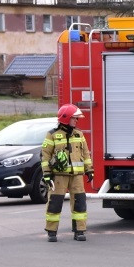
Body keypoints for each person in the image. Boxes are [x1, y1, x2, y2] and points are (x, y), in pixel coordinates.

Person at [41, 104, 94, 242]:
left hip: (76, 176)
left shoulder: (79, 134)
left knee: (79, 203)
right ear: (66, 118)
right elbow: (45, 156)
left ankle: (80, 231)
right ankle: (51, 232)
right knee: (55, 203)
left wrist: (89, 170)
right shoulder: (52, 134)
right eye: (74, 118)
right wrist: (47, 174)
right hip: (58, 176)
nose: (76, 121)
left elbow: (86, 154)